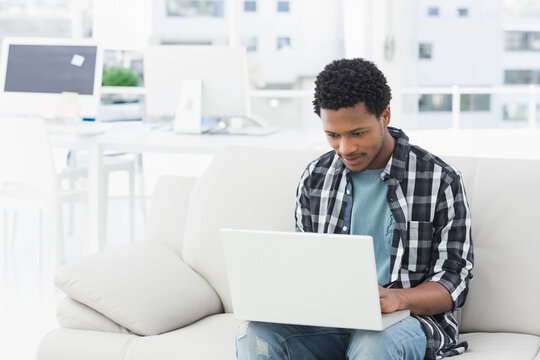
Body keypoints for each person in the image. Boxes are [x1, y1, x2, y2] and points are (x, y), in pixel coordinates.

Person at [236, 58, 474, 360]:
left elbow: (455, 280)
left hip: (407, 322)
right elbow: (304, 264)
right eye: (333, 135)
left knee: (374, 344)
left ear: (385, 115)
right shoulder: (316, 177)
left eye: (358, 133)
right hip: (329, 321)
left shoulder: (440, 179)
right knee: (256, 334)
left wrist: (398, 298)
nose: (345, 148)